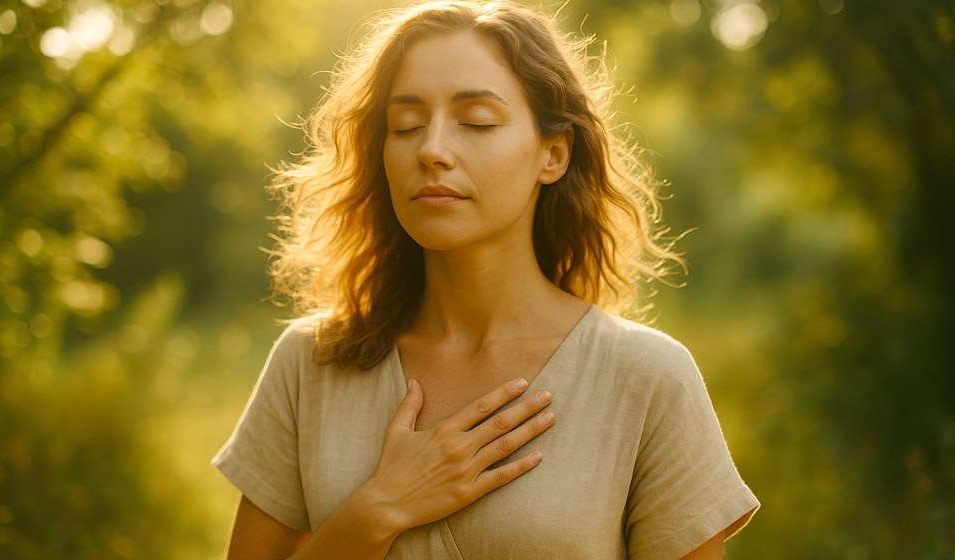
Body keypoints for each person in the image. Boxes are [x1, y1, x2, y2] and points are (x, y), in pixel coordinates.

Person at [211, 1, 761, 558]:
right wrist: (379, 509)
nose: (431, 149)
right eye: (406, 126)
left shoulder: (648, 379)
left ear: (553, 154)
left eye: (475, 122)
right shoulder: (311, 363)